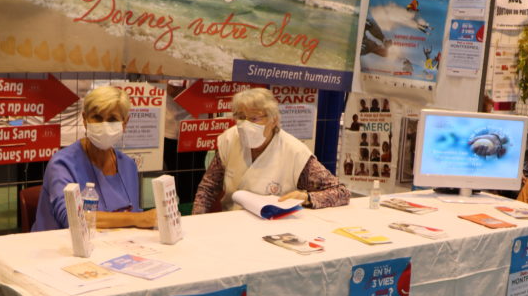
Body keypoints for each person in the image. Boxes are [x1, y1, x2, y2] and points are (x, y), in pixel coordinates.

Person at [192, 88, 350, 213]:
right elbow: (208, 187)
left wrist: (306, 197)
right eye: (240, 117)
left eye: (254, 118)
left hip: (274, 225)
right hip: (232, 220)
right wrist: (197, 220)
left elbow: (341, 192)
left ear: (273, 119)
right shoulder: (229, 139)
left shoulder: (294, 151)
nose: (245, 124)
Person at [33, 85, 155, 231]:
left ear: (125, 123)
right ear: (85, 119)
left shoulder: (128, 165)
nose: (104, 125)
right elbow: (72, 219)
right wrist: (138, 219)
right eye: (97, 117)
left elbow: (133, 212)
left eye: (112, 119)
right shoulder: (62, 164)